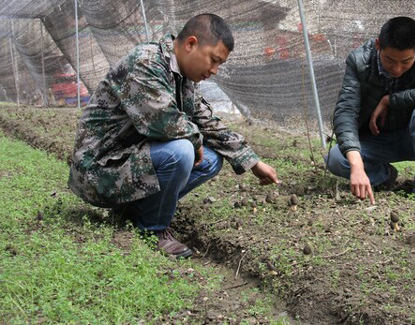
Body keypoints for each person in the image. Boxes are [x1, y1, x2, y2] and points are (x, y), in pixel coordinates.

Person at [68, 13, 279, 258]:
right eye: (213, 60)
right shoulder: (146, 63)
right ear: (191, 44)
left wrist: (252, 162)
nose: (215, 70)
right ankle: (152, 230)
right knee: (181, 151)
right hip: (98, 171)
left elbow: (206, 122)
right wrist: (194, 139)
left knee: (210, 160)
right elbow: (162, 120)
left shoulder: (184, 80)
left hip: (126, 164)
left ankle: (134, 211)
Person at [326, 16, 415, 204]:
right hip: (376, 141)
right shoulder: (359, 61)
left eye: (406, 61)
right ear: (378, 45)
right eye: (389, 60)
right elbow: (346, 112)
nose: (397, 68)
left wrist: (389, 100)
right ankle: (383, 176)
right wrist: (357, 167)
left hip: (414, 138)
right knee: (335, 158)